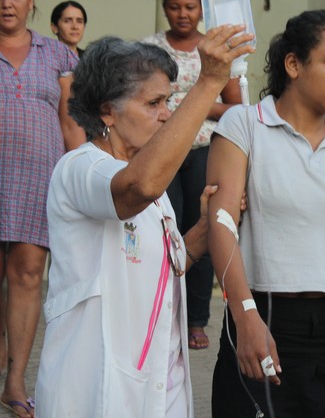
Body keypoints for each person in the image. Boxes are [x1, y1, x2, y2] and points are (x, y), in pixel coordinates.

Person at [34, 25, 254, 418]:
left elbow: (167, 267)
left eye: (168, 100)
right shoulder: (80, 167)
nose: (167, 114)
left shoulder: (153, 195)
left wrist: (203, 229)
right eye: (154, 102)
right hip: (97, 387)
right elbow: (139, 187)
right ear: (107, 111)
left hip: (161, 383)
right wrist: (209, 82)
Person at [207, 9, 325, 418]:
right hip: (263, 315)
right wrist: (245, 318)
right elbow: (220, 222)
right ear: (293, 64)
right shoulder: (245, 125)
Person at [0, 0, 85, 418]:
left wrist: (83, 174)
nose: (6, 2)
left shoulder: (57, 54)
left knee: (29, 274)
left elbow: (70, 122)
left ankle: (15, 380)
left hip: (38, 177)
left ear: (31, 1)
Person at [143, 0, 242, 350]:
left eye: (190, 7)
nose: (182, 14)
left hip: (203, 151)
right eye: (175, 6)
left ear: (201, 9)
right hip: (163, 151)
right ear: (165, 7)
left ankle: (196, 320)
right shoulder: (149, 47)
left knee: (201, 230)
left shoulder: (214, 48)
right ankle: (162, 311)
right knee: (164, 232)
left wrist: (196, 103)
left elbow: (235, 104)